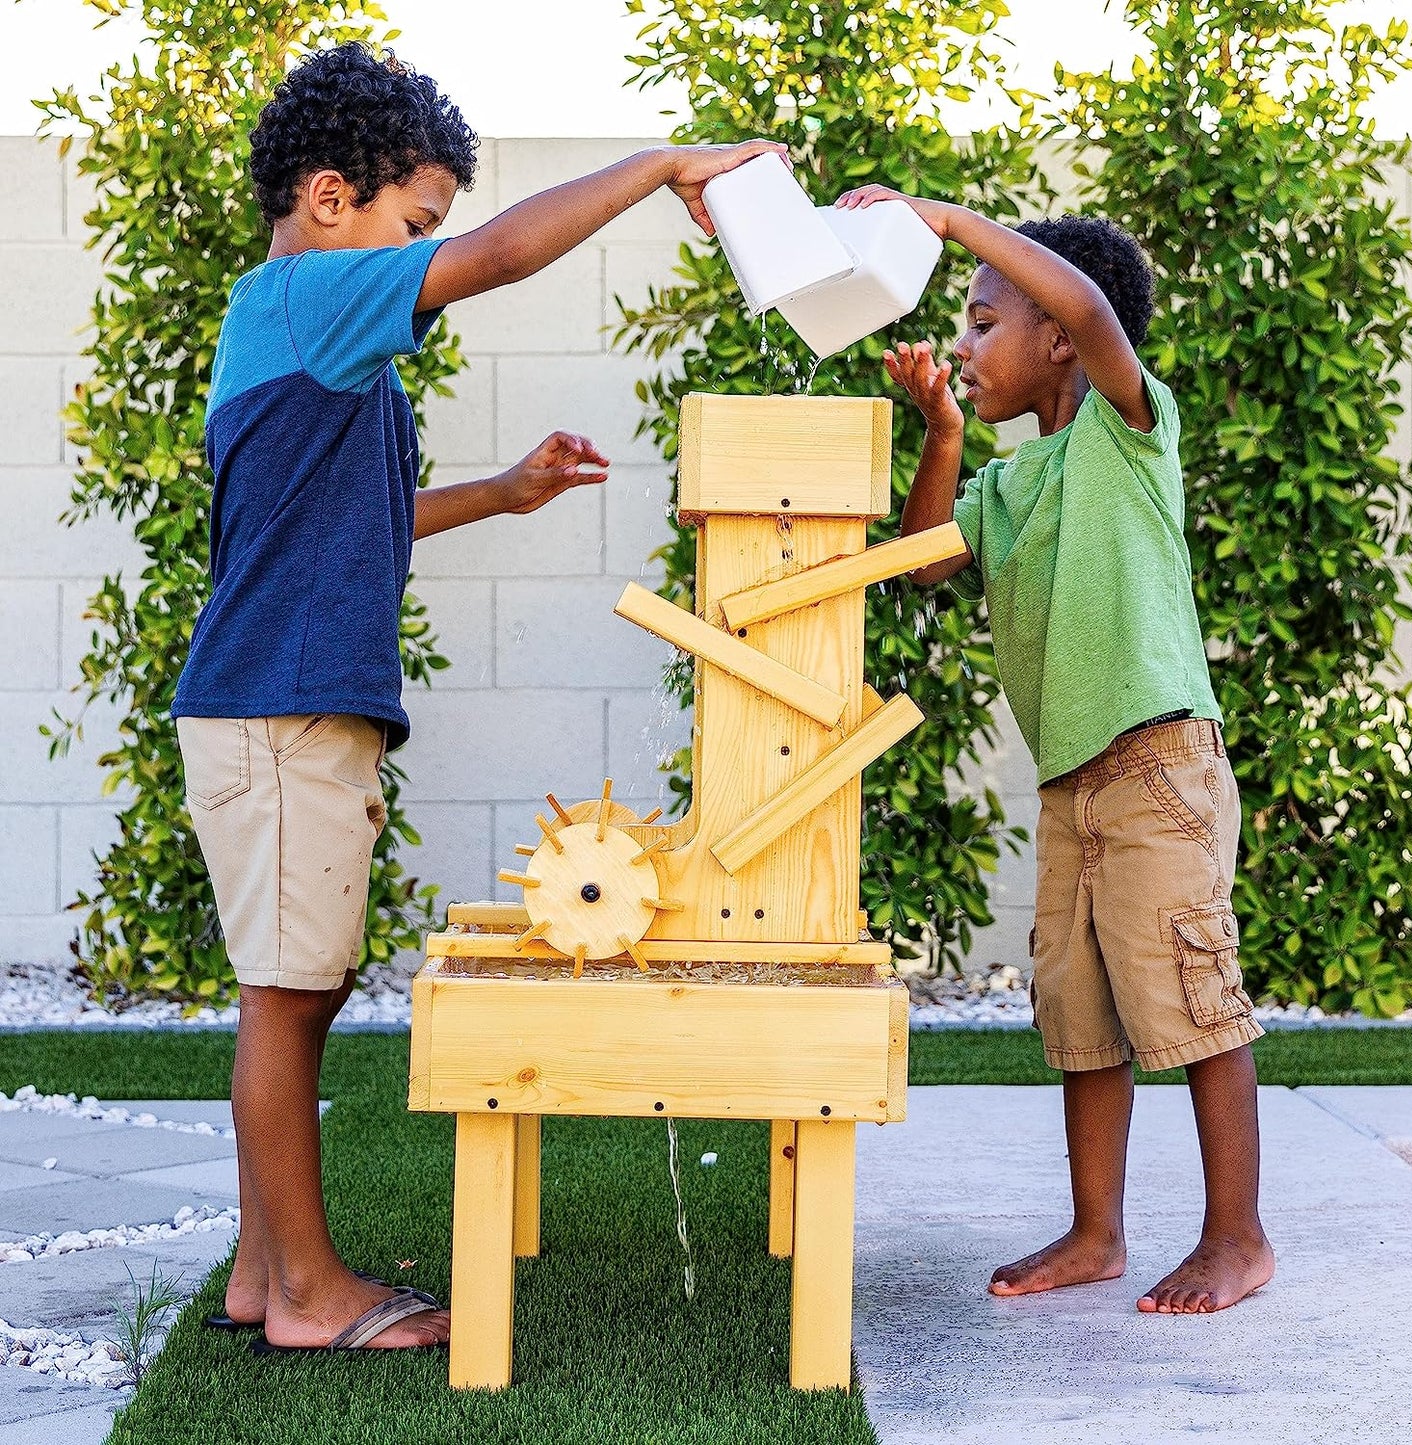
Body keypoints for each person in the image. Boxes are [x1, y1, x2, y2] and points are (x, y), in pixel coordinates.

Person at [172, 40, 784, 1354]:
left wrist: (500, 492)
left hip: (284, 707)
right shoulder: (307, 293)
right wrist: (661, 164)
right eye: (415, 226)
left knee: (304, 987)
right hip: (280, 713)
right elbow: (501, 257)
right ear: (331, 197)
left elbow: (357, 524)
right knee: (285, 996)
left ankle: (260, 1267)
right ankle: (304, 1294)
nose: (426, 256)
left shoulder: (304, 334)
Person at [835, 185, 1275, 1315]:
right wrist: (939, 430)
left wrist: (941, 218)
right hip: (1069, 780)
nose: (964, 344)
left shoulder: (1129, 433)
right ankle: (1095, 1231)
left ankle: (1237, 1235)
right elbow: (926, 560)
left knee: (1191, 995)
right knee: (1078, 1010)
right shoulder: (1004, 481)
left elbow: (1085, 307)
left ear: (1056, 342)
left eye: (985, 321)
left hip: (1156, 766)